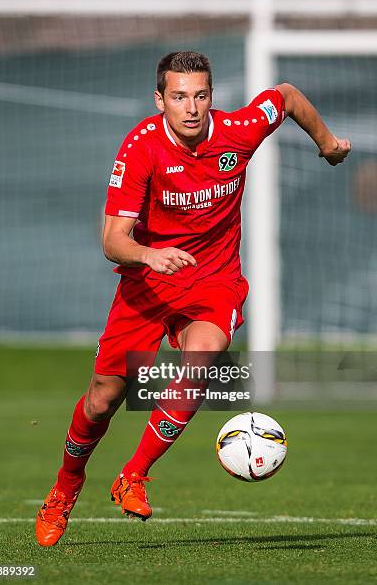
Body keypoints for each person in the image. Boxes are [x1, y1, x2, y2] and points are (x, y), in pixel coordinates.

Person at [35, 51, 351, 547]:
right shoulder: (141, 147)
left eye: (200, 95)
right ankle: (64, 489)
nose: (191, 107)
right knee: (102, 400)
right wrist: (148, 254)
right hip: (147, 282)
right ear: (159, 99)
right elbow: (112, 239)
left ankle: (133, 475)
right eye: (179, 96)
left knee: (201, 361)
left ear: (211, 97)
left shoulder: (238, 130)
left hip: (213, 280)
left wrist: (328, 144)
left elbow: (286, 97)